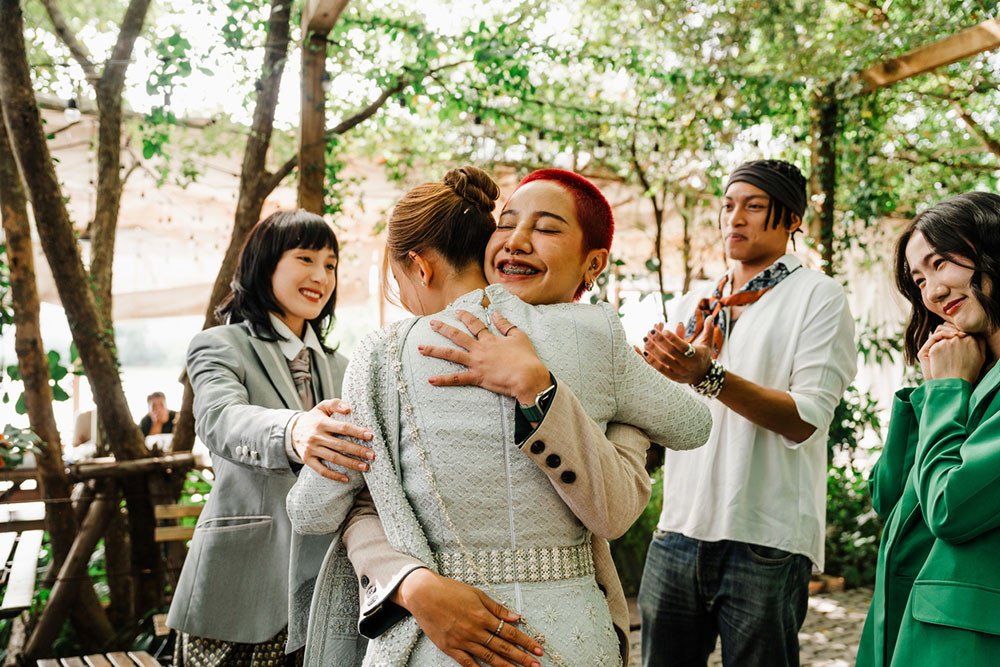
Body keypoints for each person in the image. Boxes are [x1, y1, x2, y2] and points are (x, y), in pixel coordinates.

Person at [286, 167, 712, 666]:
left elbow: (312, 511)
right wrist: (625, 427)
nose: (519, 241)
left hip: (441, 646)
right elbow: (693, 423)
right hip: (573, 633)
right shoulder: (597, 334)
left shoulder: (385, 352)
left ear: (420, 268)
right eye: (507, 224)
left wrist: (310, 439)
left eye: (547, 228)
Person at [636, 159, 856, 667]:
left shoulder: (819, 298)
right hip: (677, 532)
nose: (735, 218)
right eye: (729, 205)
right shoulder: (697, 300)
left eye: (754, 207)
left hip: (766, 539)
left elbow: (805, 417)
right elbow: (670, 415)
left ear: (793, 219)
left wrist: (706, 376)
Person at [167, 210, 375, 666]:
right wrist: (294, 429)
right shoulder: (219, 345)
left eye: (331, 264)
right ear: (265, 265)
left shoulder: (345, 368)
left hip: (329, 596)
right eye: (305, 258)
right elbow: (221, 418)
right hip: (242, 588)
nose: (321, 275)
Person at [856, 192, 1000, 667]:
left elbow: (949, 508)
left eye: (941, 264)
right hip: (907, 631)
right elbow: (891, 494)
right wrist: (930, 389)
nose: (933, 291)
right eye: (919, 279)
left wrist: (948, 392)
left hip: (968, 644)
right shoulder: (971, 371)